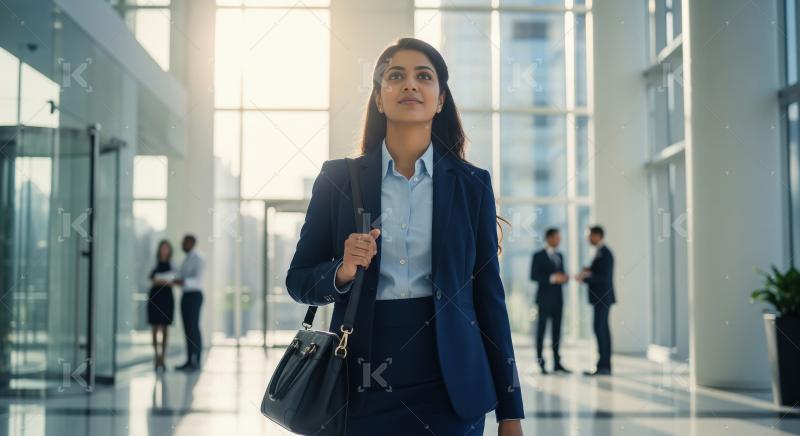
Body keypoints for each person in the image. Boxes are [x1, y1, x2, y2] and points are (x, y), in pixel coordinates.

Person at [285, 38, 524, 436]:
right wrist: (342, 271)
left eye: (423, 77)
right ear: (380, 99)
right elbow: (299, 282)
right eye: (396, 76)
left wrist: (510, 412)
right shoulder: (338, 179)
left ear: (440, 99)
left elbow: (489, 300)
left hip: (452, 386)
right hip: (360, 382)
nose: (410, 85)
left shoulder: (472, 185)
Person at [529, 228, 570, 374]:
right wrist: (553, 278)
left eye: (559, 238)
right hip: (544, 299)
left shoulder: (560, 255)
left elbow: (562, 274)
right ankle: (541, 363)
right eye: (556, 238)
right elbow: (533, 276)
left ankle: (557, 363)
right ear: (548, 238)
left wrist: (564, 278)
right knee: (541, 331)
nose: (559, 240)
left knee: (557, 332)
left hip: (558, 300)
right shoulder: (538, 255)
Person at [576, 225, 615, 376]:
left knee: (601, 330)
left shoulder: (605, 253)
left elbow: (603, 277)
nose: (587, 239)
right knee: (601, 330)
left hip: (603, 298)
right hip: (601, 299)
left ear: (597, 235)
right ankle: (603, 365)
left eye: (589, 236)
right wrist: (589, 272)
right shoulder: (600, 252)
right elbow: (599, 273)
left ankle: (604, 367)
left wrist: (586, 276)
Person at [172, 234, 205, 371]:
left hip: (195, 295)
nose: (182, 245)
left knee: (193, 327)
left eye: (185, 242)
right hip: (185, 295)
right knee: (187, 329)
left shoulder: (198, 258)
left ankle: (196, 361)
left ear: (192, 243)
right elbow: (179, 276)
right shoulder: (185, 259)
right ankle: (189, 360)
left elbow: (197, 279)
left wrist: (183, 281)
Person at [148, 239, 175, 372]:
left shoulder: (173, 265)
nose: (164, 250)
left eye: (166, 248)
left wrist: (160, 280)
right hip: (155, 297)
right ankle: (156, 357)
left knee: (165, 328)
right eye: (162, 248)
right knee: (154, 328)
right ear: (159, 250)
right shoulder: (153, 263)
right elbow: (151, 279)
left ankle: (163, 358)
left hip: (167, 298)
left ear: (169, 250)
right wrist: (164, 281)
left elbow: (174, 281)